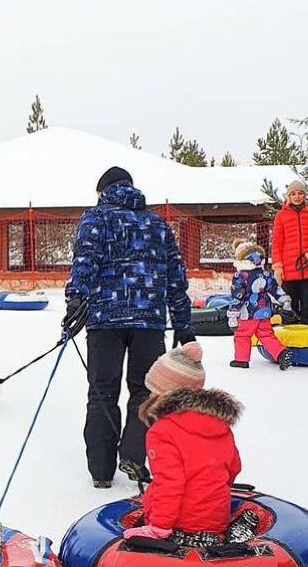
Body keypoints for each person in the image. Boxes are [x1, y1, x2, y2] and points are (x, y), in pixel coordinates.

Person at [63, 166, 194, 488]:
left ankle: (101, 472)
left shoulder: (96, 218)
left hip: (104, 320)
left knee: (101, 392)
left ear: (102, 191)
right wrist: (182, 322)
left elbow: (85, 261)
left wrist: (75, 301)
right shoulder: (157, 224)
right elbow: (175, 278)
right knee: (145, 391)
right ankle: (134, 454)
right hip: (149, 322)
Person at [123, 342, 246, 547]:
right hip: (216, 522)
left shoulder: (163, 431)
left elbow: (169, 482)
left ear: (162, 392)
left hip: (179, 524)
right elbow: (233, 468)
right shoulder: (220, 424)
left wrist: (159, 527)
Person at [228, 238, 293, 370]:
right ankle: (281, 353)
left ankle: (241, 359)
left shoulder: (241, 276)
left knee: (242, 335)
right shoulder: (265, 274)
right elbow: (275, 289)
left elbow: (238, 296)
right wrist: (284, 300)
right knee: (266, 335)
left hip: (248, 313)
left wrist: (233, 313)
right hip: (264, 311)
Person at [271, 180, 308, 325]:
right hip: (289, 271)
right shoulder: (281, 216)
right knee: (290, 308)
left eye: (300, 193)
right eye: (294, 193)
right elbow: (277, 243)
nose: (297, 196)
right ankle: (291, 343)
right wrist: (278, 266)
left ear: (304, 194)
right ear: (288, 196)